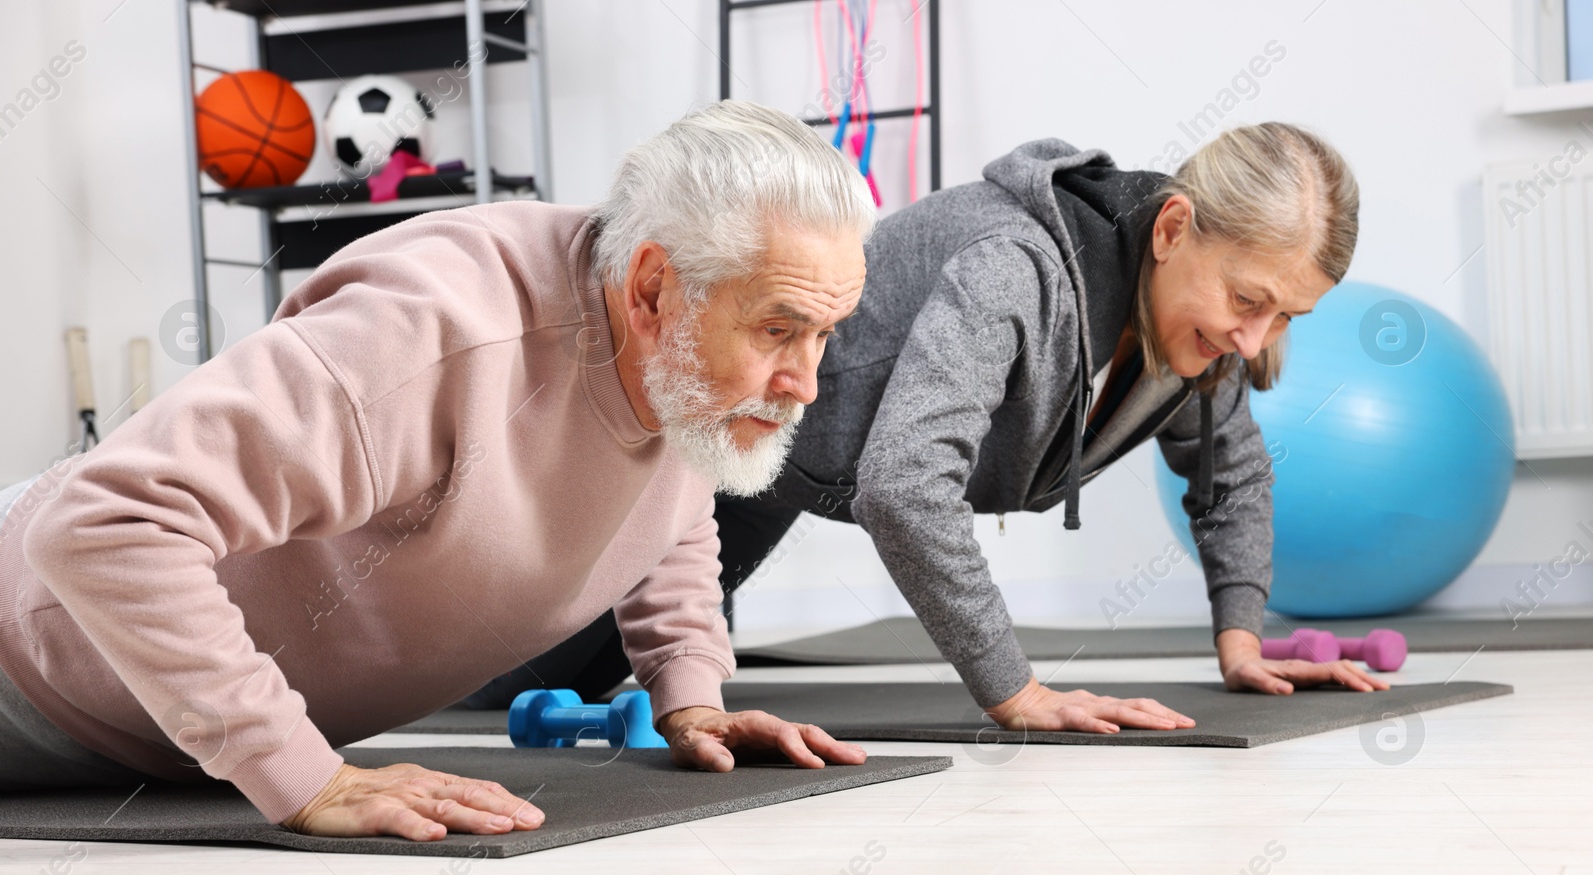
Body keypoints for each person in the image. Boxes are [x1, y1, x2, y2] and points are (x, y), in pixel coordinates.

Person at [0, 100, 874, 841]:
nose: (806, 383)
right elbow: (104, 523)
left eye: (824, 333)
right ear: (651, 291)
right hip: (29, 667)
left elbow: (666, 497)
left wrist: (691, 691)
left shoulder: (682, 368)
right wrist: (302, 776)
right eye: (778, 330)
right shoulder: (434, 333)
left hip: (167, 741)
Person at [475, 122, 1388, 730]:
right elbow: (907, 486)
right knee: (507, 669)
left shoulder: (1198, 335)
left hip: (778, 465)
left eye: (1285, 317)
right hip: (730, 429)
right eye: (1248, 300)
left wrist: (1240, 639)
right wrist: (1016, 692)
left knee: (641, 667)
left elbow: (1230, 469)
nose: (1253, 337)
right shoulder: (1017, 264)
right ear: (1173, 228)